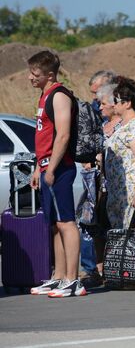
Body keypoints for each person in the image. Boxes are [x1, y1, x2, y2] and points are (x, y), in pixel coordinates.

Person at [27, 51, 85, 298]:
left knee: (66, 222)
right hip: (47, 165)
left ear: (50, 75)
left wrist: (50, 169)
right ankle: (58, 276)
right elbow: (44, 136)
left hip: (60, 167)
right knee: (54, 225)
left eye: (35, 74)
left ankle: (73, 280)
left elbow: (63, 135)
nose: (31, 78)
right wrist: (38, 167)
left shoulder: (60, 96)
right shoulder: (44, 95)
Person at [79, 70, 117, 288]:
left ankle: (111, 267)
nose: (95, 100)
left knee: (109, 224)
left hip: (114, 180)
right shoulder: (93, 110)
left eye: (99, 94)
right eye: (93, 94)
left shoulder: (126, 113)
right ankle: (94, 269)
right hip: (95, 178)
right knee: (90, 224)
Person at [104, 76, 135, 232]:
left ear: (127, 103)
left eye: (117, 101)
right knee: (120, 235)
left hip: (132, 189)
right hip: (118, 189)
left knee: (133, 235)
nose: (114, 104)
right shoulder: (122, 125)